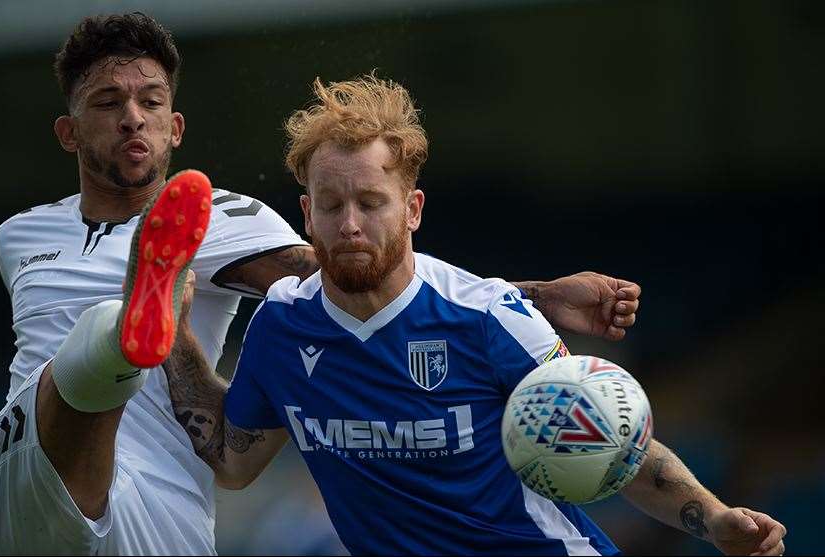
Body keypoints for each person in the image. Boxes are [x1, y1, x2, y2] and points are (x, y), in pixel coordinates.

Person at [0, 13, 644, 556]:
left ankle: (132, 325)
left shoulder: (220, 215)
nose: (132, 116)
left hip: (150, 506)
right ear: (68, 133)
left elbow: (357, 280)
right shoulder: (21, 234)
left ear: (175, 126)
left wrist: (535, 295)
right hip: (24, 468)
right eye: (108, 102)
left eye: (150, 101)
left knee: (90, 347)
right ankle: (124, 328)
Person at [166, 75, 788, 556]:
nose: (349, 224)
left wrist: (713, 517)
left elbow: (613, 445)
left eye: (371, 202)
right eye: (330, 204)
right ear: (306, 213)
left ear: (412, 209)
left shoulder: (490, 317)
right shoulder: (280, 328)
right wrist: (172, 334)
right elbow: (236, 464)